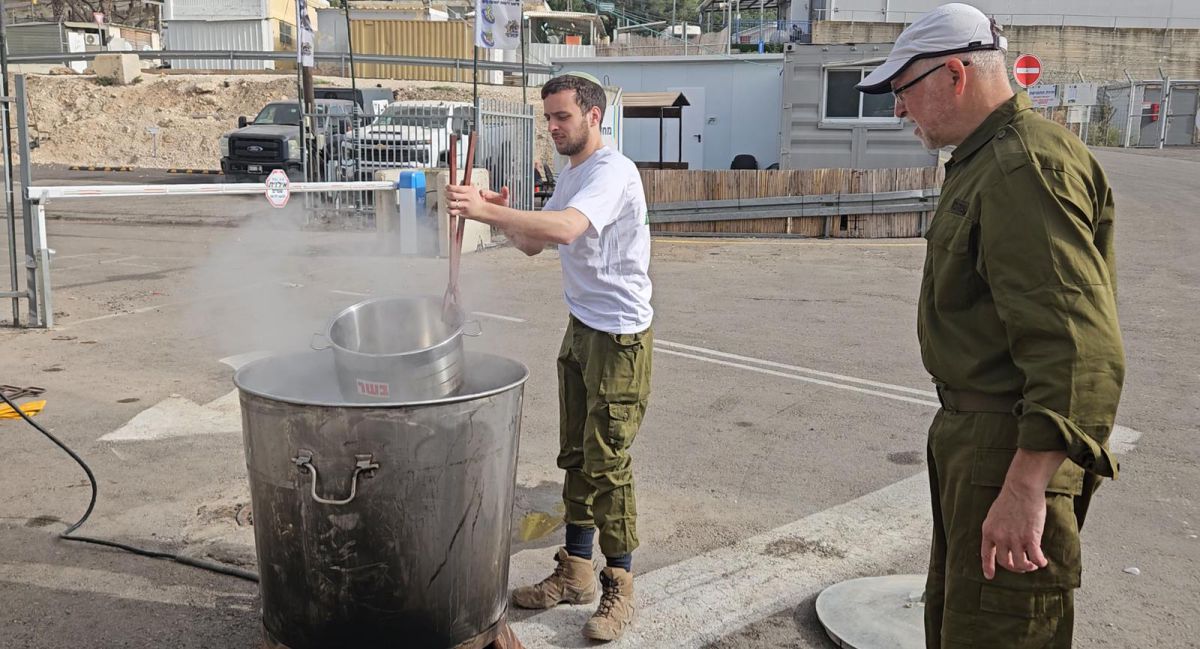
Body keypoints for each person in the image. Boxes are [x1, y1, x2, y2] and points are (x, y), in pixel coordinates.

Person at [856, 4, 1125, 647]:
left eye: (903, 90)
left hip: (1006, 445)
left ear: (955, 74)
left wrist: (1026, 485)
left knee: (998, 632)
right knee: (962, 623)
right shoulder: (989, 158)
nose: (898, 110)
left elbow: (1077, 346)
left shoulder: (1020, 167)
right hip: (980, 441)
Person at [446, 72, 652, 643]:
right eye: (549, 120)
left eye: (563, 117)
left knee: (608, 462)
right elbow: (535, 242)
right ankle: (577, 571)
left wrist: (487, 215)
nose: (554, 128)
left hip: (619, 339)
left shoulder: (612, 172)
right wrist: (496, 209)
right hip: (583, 327)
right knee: (575, 455)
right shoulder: (573, 173)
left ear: (593, 115)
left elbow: (564, 230)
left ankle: (620, 583)